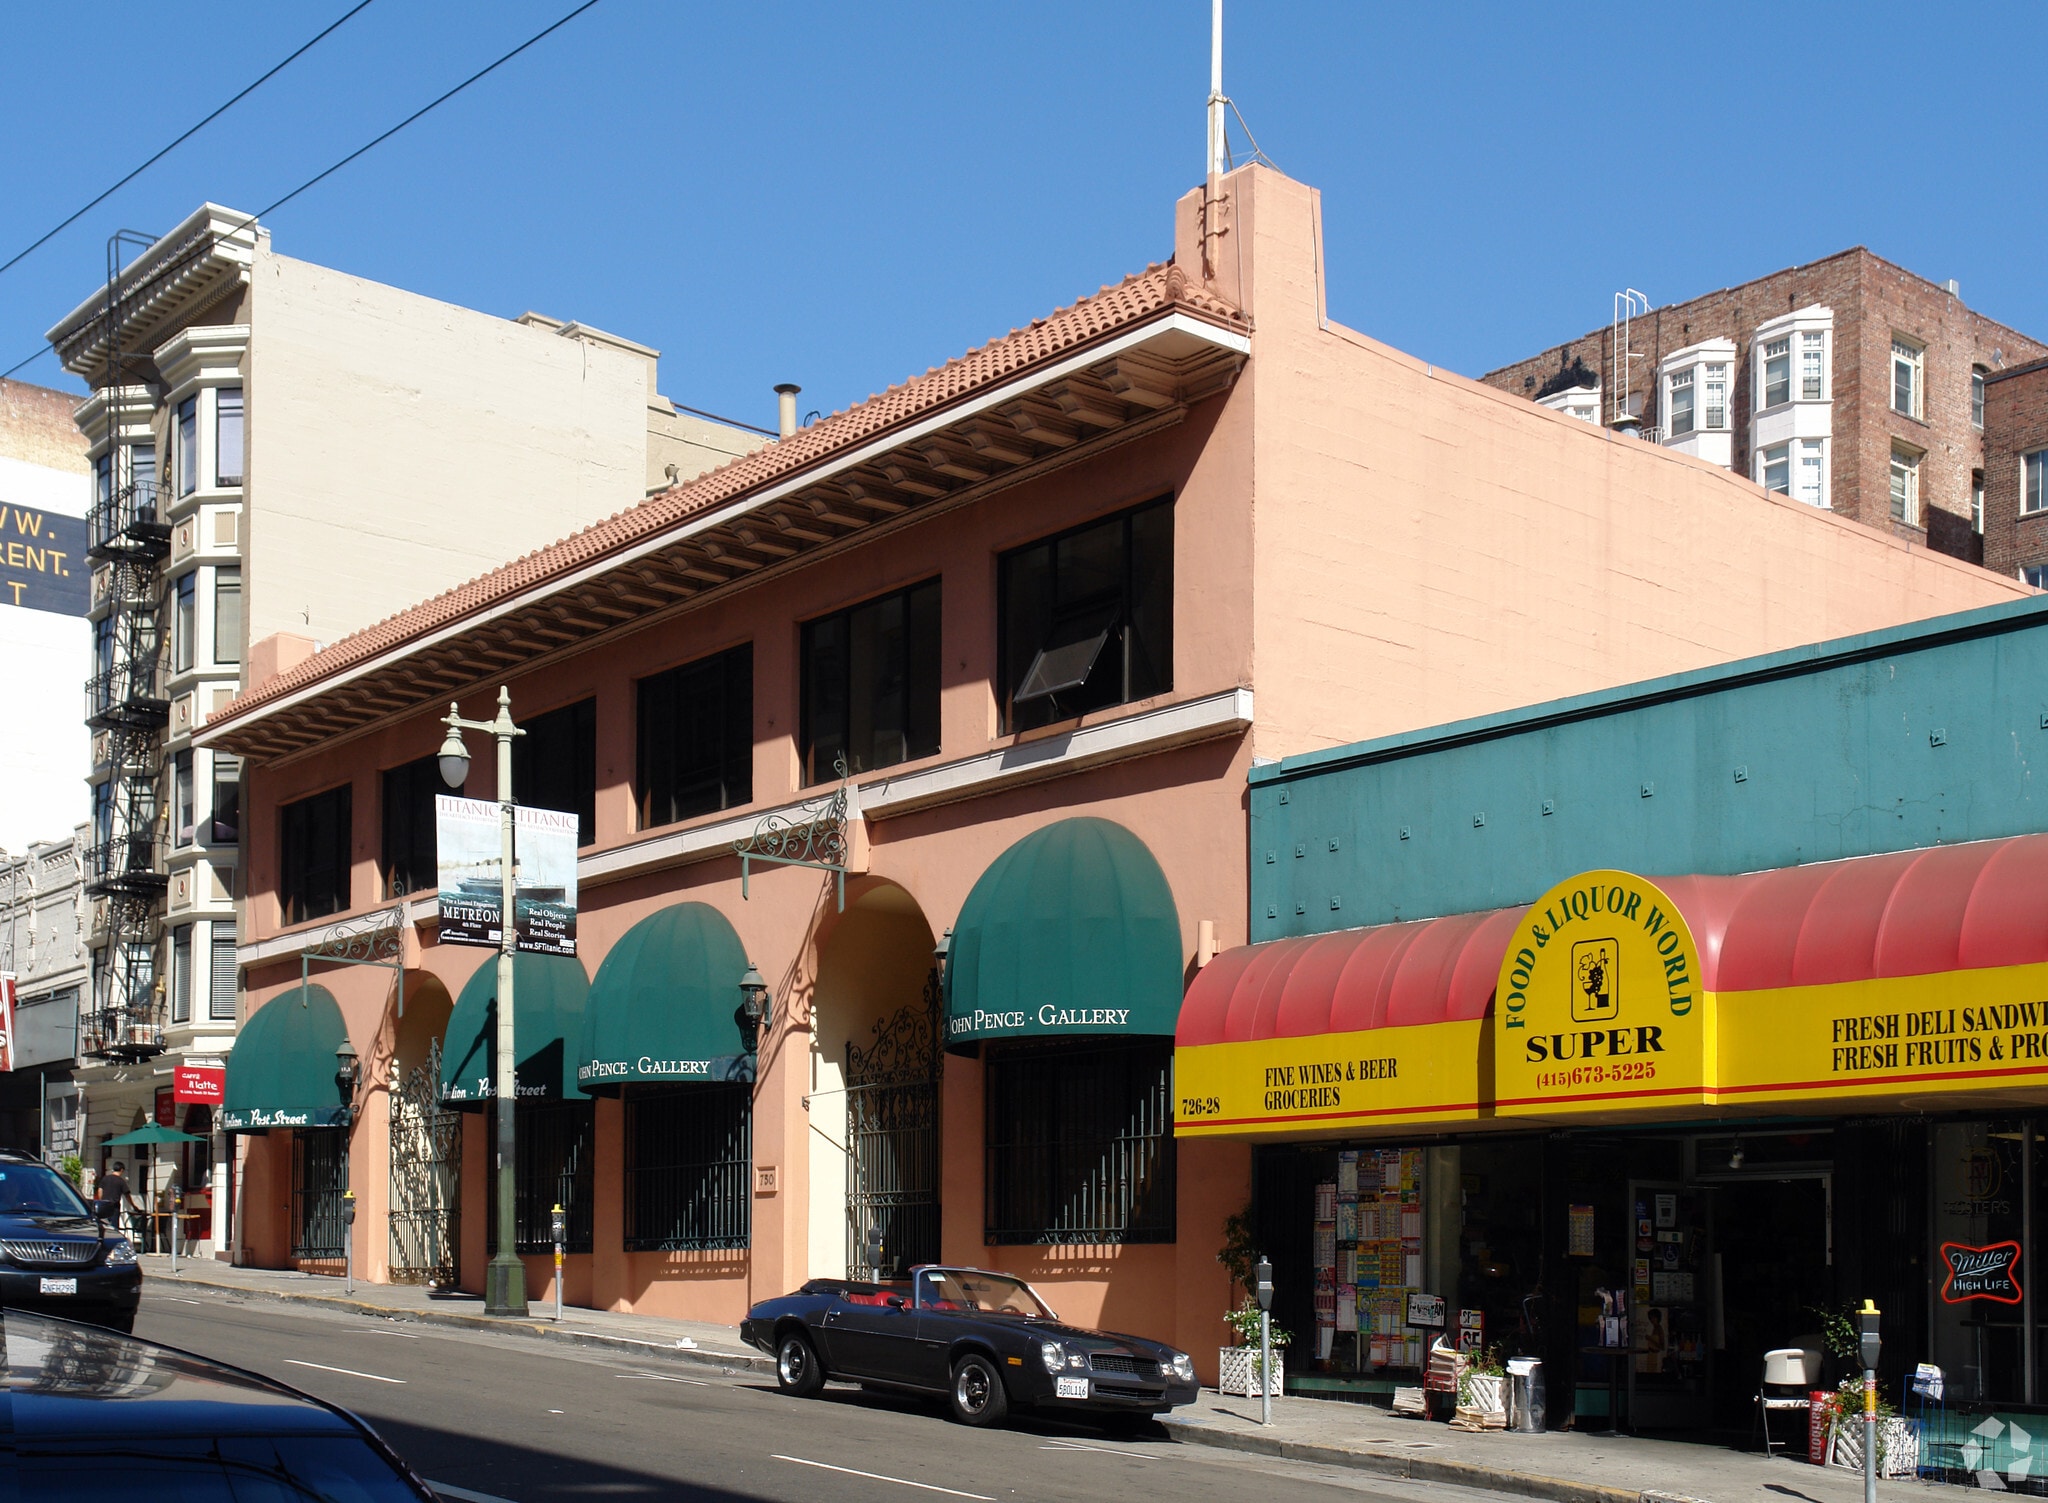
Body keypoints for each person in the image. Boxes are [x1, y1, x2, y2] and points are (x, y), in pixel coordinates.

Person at [95, 1159, 129, 1230]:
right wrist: (134, 1206)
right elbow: (127, 1195)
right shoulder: (121, 1181)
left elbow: (99, 1190)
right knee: (114, 1227)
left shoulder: (105, 1178)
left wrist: (101, 1200)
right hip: (114, 1207)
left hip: (104, 1205)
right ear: (121, 1170)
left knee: (103, 1225)